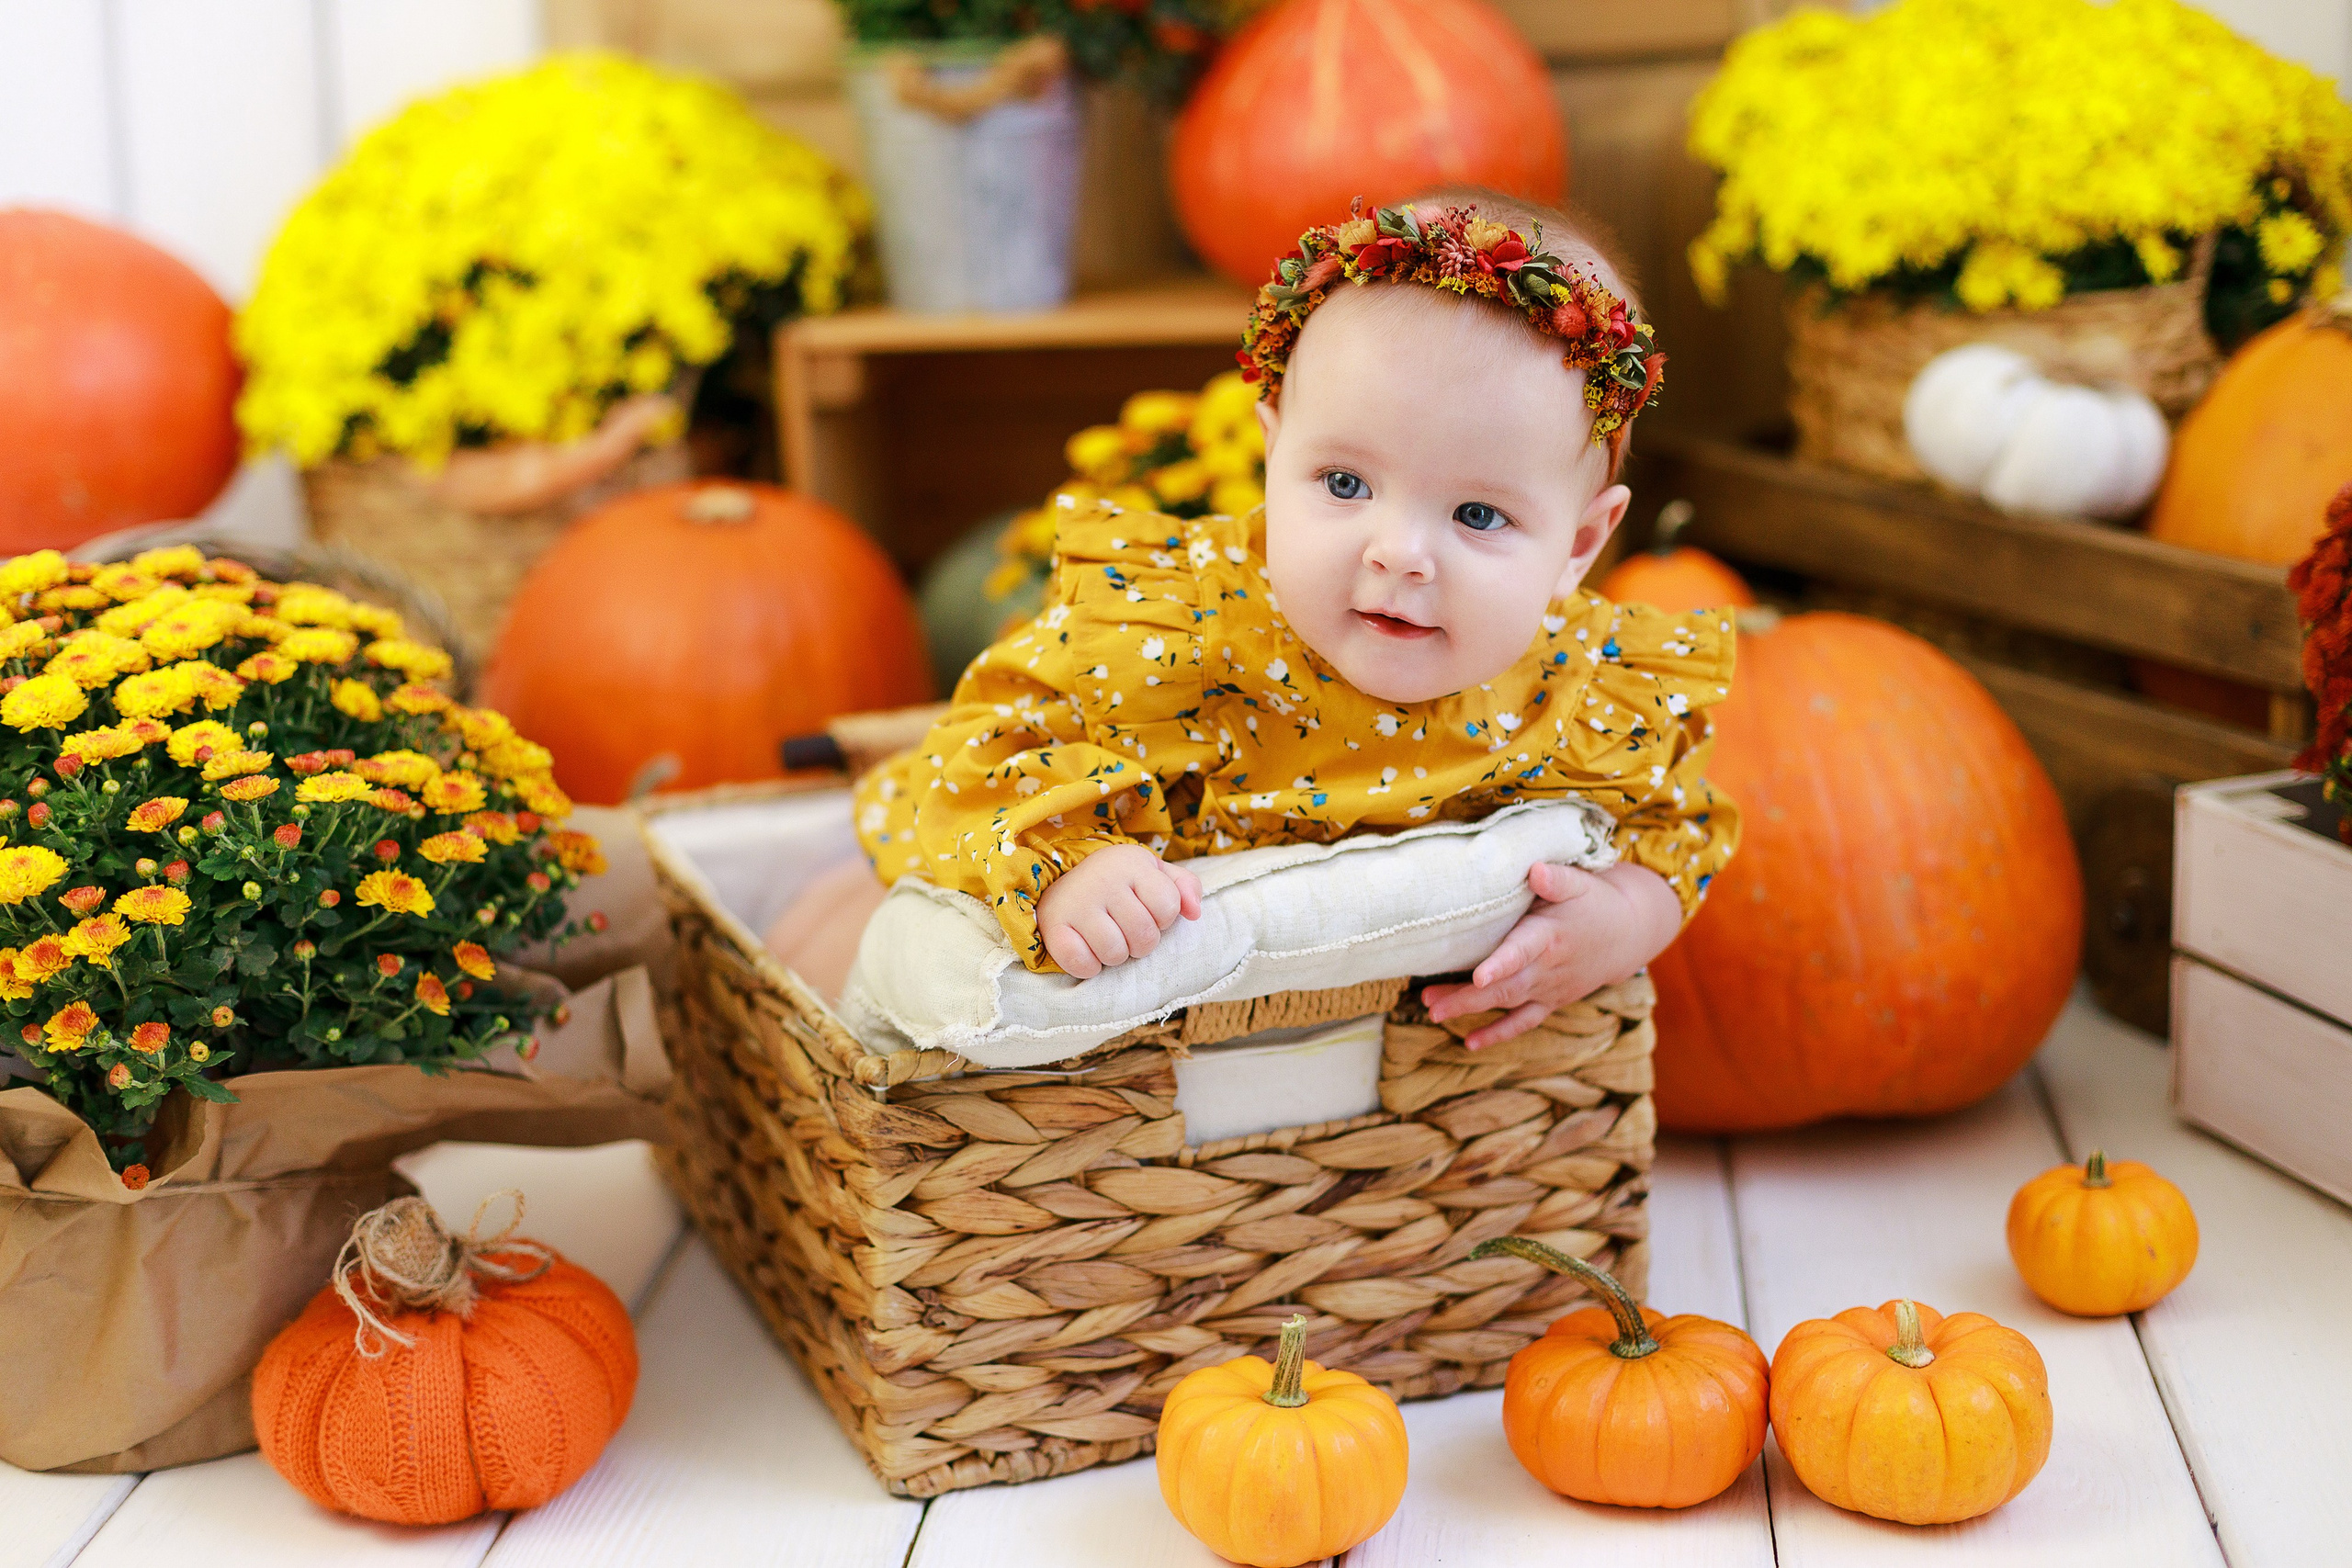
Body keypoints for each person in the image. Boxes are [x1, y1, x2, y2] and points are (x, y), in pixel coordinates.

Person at [770, 193, 1738, 1050]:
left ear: (1578, 545)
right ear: (1274, 456)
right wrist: (1070, 865)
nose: (1398, 553)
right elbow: (980, 752)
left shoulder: (1580, 691)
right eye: (1344, 483)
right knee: (833, 954)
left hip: (1315, 1056)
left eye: (1477, 515)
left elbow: (1677, 827)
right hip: (980, 875)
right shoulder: (1182, 628)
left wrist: (1626, 919)